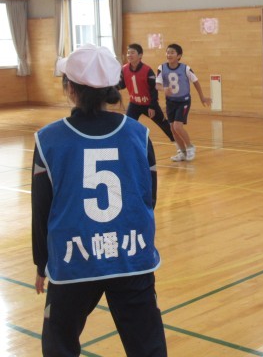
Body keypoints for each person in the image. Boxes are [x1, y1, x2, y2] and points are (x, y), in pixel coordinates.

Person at [32, 44, 167, 356]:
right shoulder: (139, 134)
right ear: (112, 90)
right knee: (148, 346)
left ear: (70, 88)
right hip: (131, 256)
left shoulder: (48, 139)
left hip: (73, 259)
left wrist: (42, 263)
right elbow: (149, 198)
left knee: (59, 344)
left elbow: (41, 209)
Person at [156, 43, 211, 162]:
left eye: (172, 52)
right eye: (168, 52)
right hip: (170, 102)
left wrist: (202, 97)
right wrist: (164, 89)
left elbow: (196, 82)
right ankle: (182, 152)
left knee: (177, 126)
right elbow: (157, 85)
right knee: (173, 129)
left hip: (183, 101)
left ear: (179, 56)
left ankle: (190, 147)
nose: (169, 54)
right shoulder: (162, 68)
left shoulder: (185, 68)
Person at [118, 43, 176, 145]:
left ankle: (177, 142)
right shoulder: (124, 69)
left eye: (132, 53)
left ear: (140, 55)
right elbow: (122, 85)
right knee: (127, 124)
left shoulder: (147, 70)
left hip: (149, 104)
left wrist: (152, 106)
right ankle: (128, 144)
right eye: (128, 53)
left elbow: (154, 89)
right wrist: (110, 86)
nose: (129, 55)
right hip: (134, 104)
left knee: (163, 123)